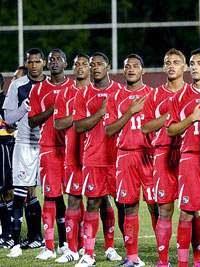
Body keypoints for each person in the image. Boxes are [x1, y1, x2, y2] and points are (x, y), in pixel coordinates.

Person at [166, 48, 200, 267]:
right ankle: (185, 263)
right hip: (189, 157)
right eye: (192, 63)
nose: (194, 66)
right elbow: (171, 130)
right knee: (187, 212)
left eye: (199, 63)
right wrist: (191, 119)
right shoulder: (181, 96)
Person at [104, 54, 154, 267]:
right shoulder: (115, 96)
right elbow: (109, 130)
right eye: (127, 66)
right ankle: (132, 258)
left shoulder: (152, 95)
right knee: (129, 207)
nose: (131, 69)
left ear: (142, 70)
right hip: (125, 156)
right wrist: (130, 113)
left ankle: (163, 259)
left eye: (136, 66)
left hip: (149, 156)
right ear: (123, 71)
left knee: (156, 207)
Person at [73, 52, 122, 267]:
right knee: (93, 202)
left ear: (108, 67)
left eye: (99, 64)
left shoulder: (119, 92)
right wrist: (101, 113)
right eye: (92, 65)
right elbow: (79, 126)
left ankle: (112, 247)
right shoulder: (83, 94)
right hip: (93, 156)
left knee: (122, 203)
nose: (94, 67)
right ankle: (89, 253)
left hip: (118, 157)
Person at [142, 48, 187, 267]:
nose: (171, 65)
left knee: (190, 209)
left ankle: (192, 261)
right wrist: (168, 118)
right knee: (165, 208)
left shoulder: (192, 93)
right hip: (162, 153)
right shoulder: (155, 95)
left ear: (184, 67)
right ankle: (163, 261)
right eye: (167, 62)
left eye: (176, 62)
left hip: (189, 155)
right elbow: (145, 126)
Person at [28, 48, 73, 260]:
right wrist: (52, 110)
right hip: (49, 148)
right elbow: (31, 121)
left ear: (65, 64)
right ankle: (48, 246)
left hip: (72, 147)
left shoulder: (74, 87)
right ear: (47, 64)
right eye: (52, 59)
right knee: (50, 196)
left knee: (75, 196)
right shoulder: (38, 90)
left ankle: (74, 245)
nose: (54, 62)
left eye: (59, 59)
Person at [3, 48, 45, 257]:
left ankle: (47, 240)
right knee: (21, 192)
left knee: (56, 195)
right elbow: (9, 118)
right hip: (24, 143)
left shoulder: (52, 85)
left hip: (49, 145)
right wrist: (23, 108)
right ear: (27, 63)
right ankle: (16, 242)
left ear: (43, 63)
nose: (34, 65)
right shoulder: (17, 85)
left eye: (38, 61)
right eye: (31, 62)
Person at [52, 53, 90, 263]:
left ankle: (105, 248)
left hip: (96, 155)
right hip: (73, 155)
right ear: (72, 68)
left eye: (85, 64)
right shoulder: (65, 94)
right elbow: (58, 124)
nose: (81, 67)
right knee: (74, 200)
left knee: (100, 203)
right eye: (78, 64)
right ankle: (73, 249)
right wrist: (79, 118)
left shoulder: (98, 93)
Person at [0, 73, 16, 250]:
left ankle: (9, 234)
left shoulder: (5, 102)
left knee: (6, 190)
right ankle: (6, 233)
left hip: (4, 146)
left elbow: (12, 125)